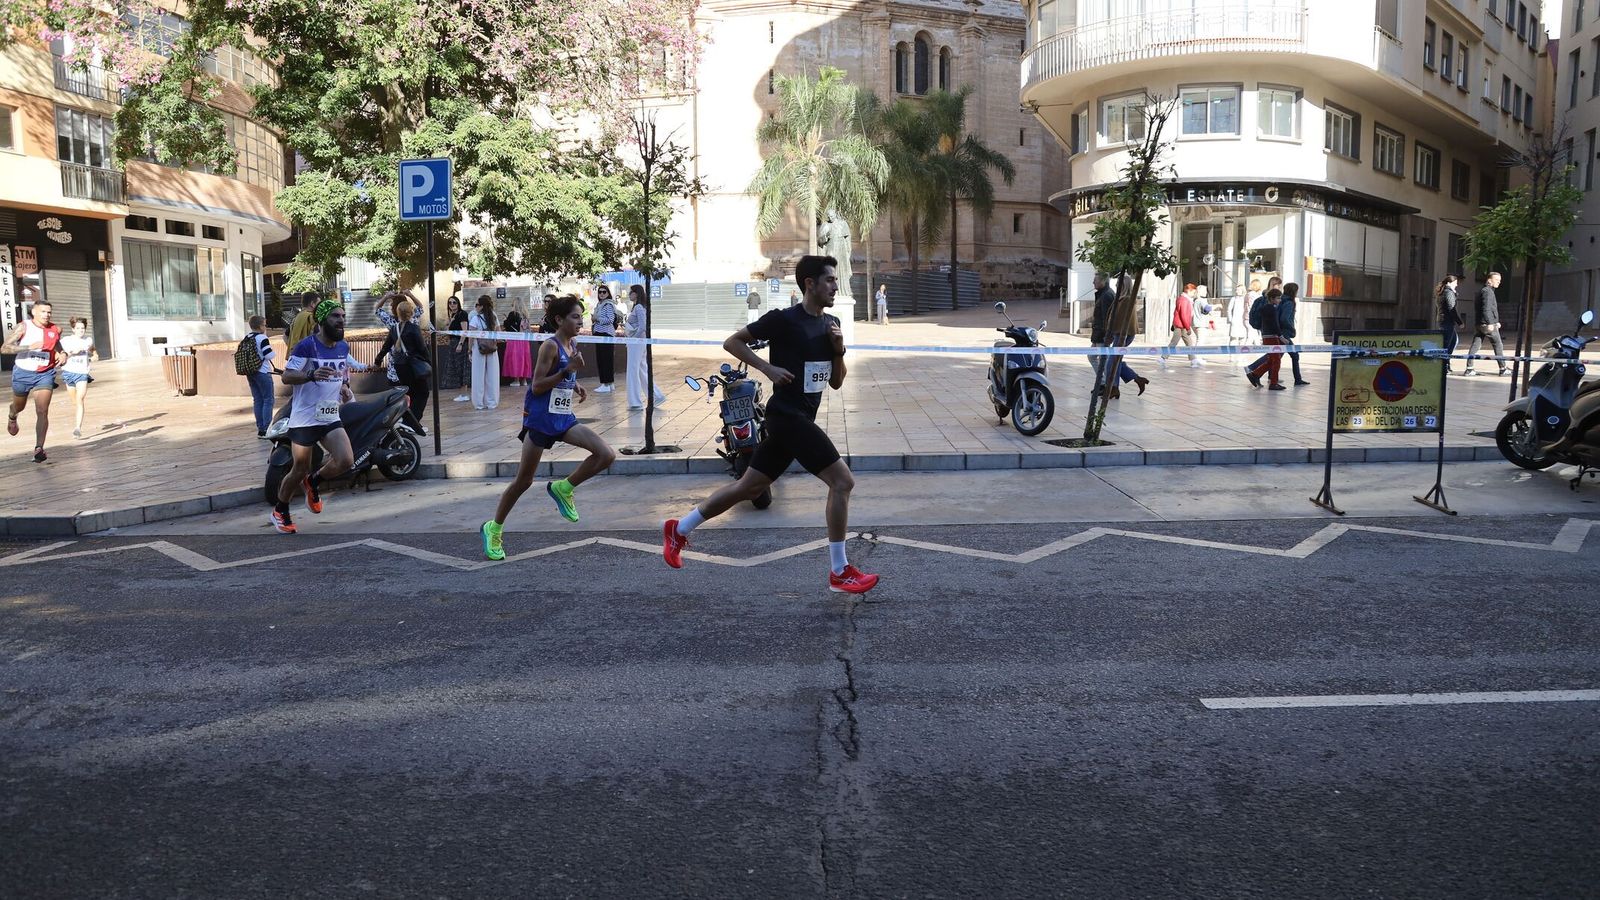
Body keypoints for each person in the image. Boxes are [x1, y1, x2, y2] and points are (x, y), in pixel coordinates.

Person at [660, 254, 878, 594]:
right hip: (785, 416)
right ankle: (840, 570)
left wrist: (839, 350)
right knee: (842, 482)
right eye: (830, 280)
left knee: (747, 488)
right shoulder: (784, 320)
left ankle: (679, 528)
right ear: (810, 284)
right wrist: (767, 368)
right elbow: (732, 342)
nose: (836, 285)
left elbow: (835, 383)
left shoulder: (831, 323)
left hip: (800, 418)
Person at [480, 296, 617, 560]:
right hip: (541, 419)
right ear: (559, 320)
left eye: (582, 316)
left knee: (606, 454)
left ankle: (563, 488)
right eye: (576, 317)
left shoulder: (572, 343)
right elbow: (537, 386)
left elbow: (563, 376)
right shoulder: (549, 346)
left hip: (563, 418)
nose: (581, 321)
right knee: (524, 481)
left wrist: (574, 384)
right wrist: (568, 372)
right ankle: (494, 528)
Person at [272, 300, 359, 534]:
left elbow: (339, 372)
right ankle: (281, 509)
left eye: (342, 316)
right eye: (335, 316)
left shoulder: (343, 347)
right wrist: (311, 374)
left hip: (329, 413)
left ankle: (314, 482)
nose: (341, 320)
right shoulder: (305, 347)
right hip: (304, 417)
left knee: (345, 460)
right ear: (321, 320)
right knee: (299, 468)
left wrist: (343, 385)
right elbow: (287, 376)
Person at [3, 299, 63, 462]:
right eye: (43, 311)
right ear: (34, 312)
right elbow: (4, 347)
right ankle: (12, 415)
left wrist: (62, 354)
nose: (47, 315)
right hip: (23, 372)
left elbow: (57, 343)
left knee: (42, 410)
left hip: (45, 373)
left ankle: (39, 448)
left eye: (49, 312)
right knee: (19, 406)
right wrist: (28, 347)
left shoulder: (55, 329)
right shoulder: (24, 326)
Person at [374, 295, 432, 434]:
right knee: (423, 393)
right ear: (411, 313)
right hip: (412, 366)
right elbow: (421, 347)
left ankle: (408, 421)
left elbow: (386, 346)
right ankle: (412, 421)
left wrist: (378, 360)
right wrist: (428, 361)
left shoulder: (394, 328)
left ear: (398, 313)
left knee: (410, 394)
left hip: (399, 367)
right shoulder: (413, 328)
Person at [1090, 272, 1148, 399]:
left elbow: (1120, 320)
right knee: (1115, 361)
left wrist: (1109, 334)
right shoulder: (1121, 298)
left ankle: (1114, 388)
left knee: (1112, 361)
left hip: (1123, 335)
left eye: (1118, 284)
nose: (1116, 285)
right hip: (1119, 334)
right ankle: (1137, 379)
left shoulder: (1127, 299)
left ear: (1124, 286)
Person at [625, 284, 668, 409]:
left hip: (637, 343)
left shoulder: (638, 307)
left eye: (631, 292)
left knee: (633, 370)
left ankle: (635, 402)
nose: (629, 294)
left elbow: (643, 326)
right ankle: (656, 396)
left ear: (636, 293)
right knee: (641, 370)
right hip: (640, 342)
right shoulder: (639, 307)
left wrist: (634, 336)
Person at [58, 316, 98, 438]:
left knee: (80, 399)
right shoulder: (65, 341)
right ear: (73, 329)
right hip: (68, 373)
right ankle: (78, 419)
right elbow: (60, 355)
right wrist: (71, 353)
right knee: (75, 401)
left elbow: (92, 348)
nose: (81, 330)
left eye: (83, 328)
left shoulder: (87, 340)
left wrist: (95, 355)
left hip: (82, 373)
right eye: (78, 328)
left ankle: (77, 428)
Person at [1464, 271, 1510, 377]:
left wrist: (1495, 321)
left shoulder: (1483, 291)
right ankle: (1503, 368)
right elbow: (1486, 309)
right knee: (1498, 345)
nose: (1499, 282)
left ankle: (1469, 369)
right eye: (1497, 280)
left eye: (1500, 280)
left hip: (1480, 324)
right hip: (1487, 324)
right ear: (1489, 281)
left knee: (1475, 345)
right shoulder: (1488, 292)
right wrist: (1491, 323)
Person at [1245, 288, 1287, 390]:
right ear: (1272, 299)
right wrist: (1281, 336)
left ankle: (1255, 374)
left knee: (1271, 360)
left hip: (1265, 336)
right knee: (1276, 360)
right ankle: (1273, 383)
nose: (1279, 300)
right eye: (1278, 298)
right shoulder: (1272, 309)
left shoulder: (1264, 308)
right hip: (1272, 337)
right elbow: (1275, 324)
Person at [242, 315, 277, 438]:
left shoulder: (247, 337)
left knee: (257, 400)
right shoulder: (262, 338)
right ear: (260, 326)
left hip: (251, 372)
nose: (266, 327)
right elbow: (268, 355)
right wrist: (275, 353)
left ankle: (260, 429)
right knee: (268, 399)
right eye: (265, 325)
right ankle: (267, 428)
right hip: (263, 371)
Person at [469, 295, 501, 409]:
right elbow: (499, 332)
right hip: (492, 348)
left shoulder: (475, 319)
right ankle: (492, 402)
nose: (476, 307)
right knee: (492, 375)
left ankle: (478, 403)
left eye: (477, 305)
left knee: (478, 376)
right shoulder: (494, 317)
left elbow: (471, 336)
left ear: (481, 306)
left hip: (479, 348)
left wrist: (469, 350)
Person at [1162, 283, 1202, 368]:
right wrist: (1188, 328)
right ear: (1188, 291)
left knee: (1189, 343)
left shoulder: (1184, 299)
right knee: (1174, 342)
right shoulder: (1184, 300)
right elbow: (1184, 315)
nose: (1194, 294)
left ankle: (1193, 360)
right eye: (1193, 292)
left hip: (1181, 325)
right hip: (1181, 326)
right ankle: (1163, 358)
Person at [441, 296, 472, 400]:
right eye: (450, 303)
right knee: (456, 368)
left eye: (454, 302)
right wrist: (450, 320)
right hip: (453, 343)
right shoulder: (452, 315)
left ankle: (464, 394)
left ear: (458, 303)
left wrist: (460, 344)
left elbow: (465, 331)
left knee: (462, 368)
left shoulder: (462, 314)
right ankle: (462, 393)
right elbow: (447, 329)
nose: (452, 304)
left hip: (459, 343)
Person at [1279, 282, 1309, 386]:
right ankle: (1255, 372)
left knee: (1276, 356)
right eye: (1296, 290)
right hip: (1285, 333)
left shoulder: (1281, 300)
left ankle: (1298, 379)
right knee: (1293, 355)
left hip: (1280, 332)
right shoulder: (1289, 302)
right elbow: (1284, 318)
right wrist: (1292, 328)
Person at [590, 283, 617, 393]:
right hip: (599, 333)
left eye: (604, 292)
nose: (601, 294)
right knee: (603, 359)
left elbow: (610, 319)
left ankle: (605, 384)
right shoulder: (599, 304)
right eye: (600, 292)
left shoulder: (608, 305)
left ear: (608, 293)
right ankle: (609, 383)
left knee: (605, 359)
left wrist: (597, 318)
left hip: (605, 334)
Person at [1436, 274, 1463, 373]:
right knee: (1447, 343)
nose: (1456, 285)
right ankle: (1444, 364)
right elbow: (1452, 309)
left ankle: (1446, 362)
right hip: (1447, 321)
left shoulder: (1443, 292)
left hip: (1443, 320)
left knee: (1453, 341)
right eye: (1455, 283)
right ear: (1449, 283)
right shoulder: (1448, 293)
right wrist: (1459, 322)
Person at [502, 299, 531, 387]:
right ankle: (524, 380)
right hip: (524, 340)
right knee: (524, 359)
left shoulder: (513, 314)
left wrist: (505, 320)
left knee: (515, 359)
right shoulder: (525, 315)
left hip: (514, 339)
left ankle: (516, 380)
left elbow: (507, 326)